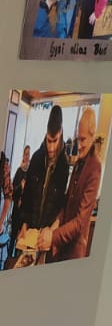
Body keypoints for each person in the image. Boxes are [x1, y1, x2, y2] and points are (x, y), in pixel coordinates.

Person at [42, 106, 101, 260]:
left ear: (92, 136)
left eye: (83, 139)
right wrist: (54, 224)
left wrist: (53, 236)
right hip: (62, 246)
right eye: (78, 138)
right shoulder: (78, 162)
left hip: (74, 252)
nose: (79, 145)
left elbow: (80, 222)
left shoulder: (95, 167)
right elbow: (67, 202)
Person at [17, 104, 70, 258]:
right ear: (45, 135)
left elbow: (60, 205)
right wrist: (24, 223)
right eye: (49, 141)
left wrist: (51, 231)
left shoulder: (64, 166)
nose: (51, 147)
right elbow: (27, 196)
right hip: (30, 233)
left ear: (60, 134)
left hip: (46, 237)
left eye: (55, 141)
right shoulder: (36, 158)